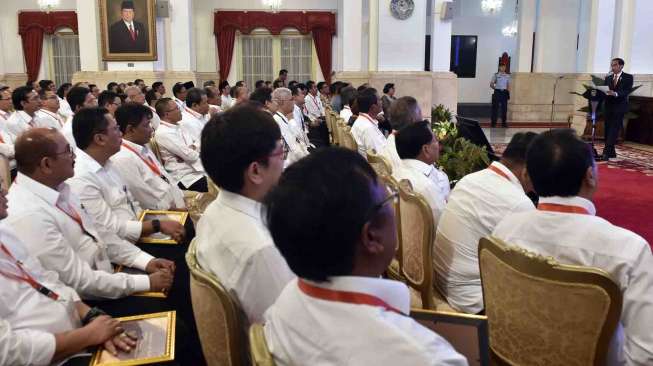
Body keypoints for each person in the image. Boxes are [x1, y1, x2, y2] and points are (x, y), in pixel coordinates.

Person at [262, 148, 467, 366]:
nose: (394, 206)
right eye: (390, 198)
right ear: (371, 236)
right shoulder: (426, 357)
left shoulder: (285, 301)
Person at [492, 129, 653, 365]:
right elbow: (644, 354)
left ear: (528, 176)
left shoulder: (505, 230)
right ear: (590, 176)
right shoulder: (629, 250)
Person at [7, 127, 173, 300]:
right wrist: (146, 282)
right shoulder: (29, 215)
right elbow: (78, 280)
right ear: (46, 164)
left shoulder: (60, 187)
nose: (75, 157)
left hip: (108, 274)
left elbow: (100, 233)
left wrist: (145, 261)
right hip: (87, 300)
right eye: (68, 151)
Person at [0, 180, 136, 365]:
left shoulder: (4, 230)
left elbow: (46, 280)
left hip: (77, 327)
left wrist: (92, 316)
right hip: (54, 356)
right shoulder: (26, 214)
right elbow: (8, 351)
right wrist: (87, 336)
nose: (5, 191)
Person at [196, 105, 294, 324]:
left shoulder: (215, 209)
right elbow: (293, 329)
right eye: (281, 153)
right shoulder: (261, 252)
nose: (284, 162)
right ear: (256, 171)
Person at [433, 132, 537, 314]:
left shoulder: (469, 179)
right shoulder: (518, 202)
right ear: (526, 171)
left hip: (442, 280)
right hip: (474, 301)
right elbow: (528, 266)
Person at [66, 107, 185, 244]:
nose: (121, 134)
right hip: (126, 243)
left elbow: (133, 205)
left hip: (139, 231)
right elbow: (109, 230)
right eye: (116, 129)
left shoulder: (107, 162)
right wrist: (157, 225)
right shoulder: (82, 177)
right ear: (99, 139)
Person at [112, 103, 185, 211]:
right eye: (146, 125)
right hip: (163, 216)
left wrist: (181, 198)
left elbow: (164, 175)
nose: (151, 129)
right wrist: (175, 209)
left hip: (175, 202)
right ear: (130, 129)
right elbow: (145, 200)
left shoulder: (143, 146)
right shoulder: (123, 158)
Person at [393, 121, 447, 223]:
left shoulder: (395, 174)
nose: (439, 144)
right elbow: (443, 226)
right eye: (435, 140)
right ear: (426, 150)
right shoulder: (427, 187)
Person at [154, 98, 208, 192]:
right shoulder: (163, 133)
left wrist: (192, 148)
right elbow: (190, 156)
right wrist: (191, 149)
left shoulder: (179, 125)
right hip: (185, 176)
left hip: (197, 169)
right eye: (177, 108)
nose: (181, 111)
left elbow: (198, 142)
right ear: (167, 114)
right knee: (222, 182)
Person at [602, 57, 634, 160]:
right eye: (612, 65)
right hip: (608, 106)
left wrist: (615, 93)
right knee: (607, 128)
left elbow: (627, 91)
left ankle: (606, 152)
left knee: (614, 129)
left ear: (621, 66)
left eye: (615, 65)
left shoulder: (628, 77)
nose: (613, 67)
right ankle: (611, 153)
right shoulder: (608, 78)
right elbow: (605, 90)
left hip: (619, 107)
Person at [380, 96, 423, 170]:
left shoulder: (392, 139)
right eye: (419, 112)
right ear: (413, 120)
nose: (422, 117)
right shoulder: (408, 147)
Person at [272, 88, 309, 168]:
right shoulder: (277, 121)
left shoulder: (284, 118)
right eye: (291, 99)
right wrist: (308, 160)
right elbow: (294, 149)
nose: (294, 102)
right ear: (282, 102)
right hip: (291, 166)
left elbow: (299, 139)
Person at [351, 87, 386, 158]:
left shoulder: (362, 121)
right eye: (379, 100)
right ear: (373, 107)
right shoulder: (368, 128)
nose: (381, 101)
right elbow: (381, 158)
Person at [490, 63, 510, 128]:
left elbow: (508, 85)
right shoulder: (496, 75)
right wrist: (496, 89)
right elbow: (491, 84)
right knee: (495, 108)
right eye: (502, 67)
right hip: (497, 92)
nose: (503, 68)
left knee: (504, 109)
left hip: (504, 93)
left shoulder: (507, 76)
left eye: (504, 67)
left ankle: (504, 123)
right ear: (499, 67)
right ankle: (493, 123)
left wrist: (507, 91)